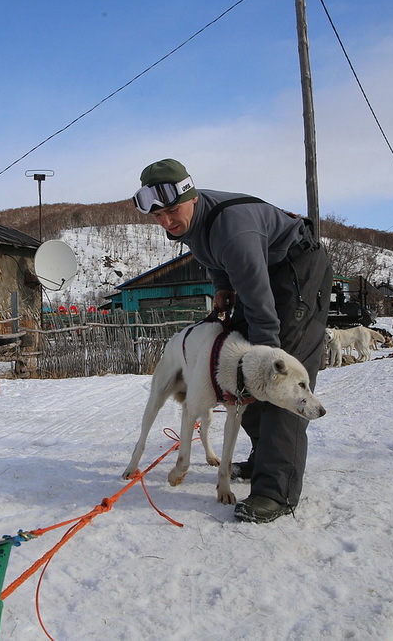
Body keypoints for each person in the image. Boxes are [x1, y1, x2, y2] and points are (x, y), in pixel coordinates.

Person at [131, 158, 332, 523]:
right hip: (260, 271)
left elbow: (261, 310)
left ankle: (277, 490)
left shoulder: (232, 230)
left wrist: (268, 356)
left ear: (191, 197)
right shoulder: (193, 223)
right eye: (158, 216)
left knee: (273, 378)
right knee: (240, 375)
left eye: (172, 211)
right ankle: (261, 461)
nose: (167, 222)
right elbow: (213, 256)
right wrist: (222, 286)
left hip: (297, 271)